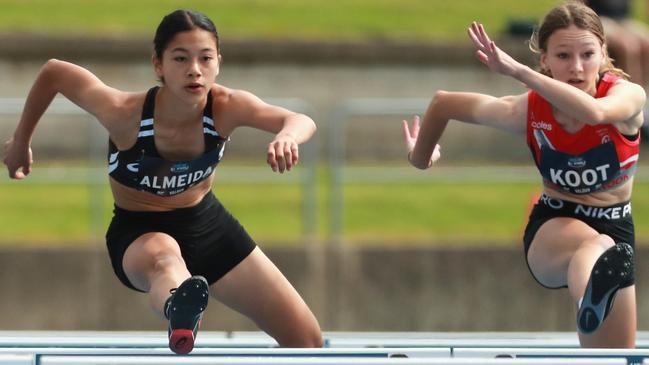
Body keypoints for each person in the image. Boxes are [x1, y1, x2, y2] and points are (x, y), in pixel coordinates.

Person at [3, 9, 323, 354]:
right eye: (181, 58)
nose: (194, 70)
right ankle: (181, 311)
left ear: (218, 63)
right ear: (159, 65)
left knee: (306, 341)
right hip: (140, 232)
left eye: (205, 58)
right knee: (167, 260)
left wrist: (287, 136)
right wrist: (21, 141)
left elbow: (300, 119)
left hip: (208, 226)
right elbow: (55, 72)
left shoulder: (227, 107)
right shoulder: (124, 113)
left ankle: (186, 299)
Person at [403, 1, 643, 348]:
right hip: (554, 226)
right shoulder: (526, 110)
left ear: (603, 53)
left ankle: (593, 300)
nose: (576, 68)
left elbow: (594, 113)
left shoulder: (627, 96)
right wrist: (421, 158)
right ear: (545, 58)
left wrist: (520, 72)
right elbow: (444, 103)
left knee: (616, 356)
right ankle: (591, 292)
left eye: (587, 54)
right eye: (563, 56)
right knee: (597, 246)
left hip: (616, 225)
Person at [585, 0, 649, 88]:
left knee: (646, 41)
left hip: (623, 19)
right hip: (599, 17)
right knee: (629, 46)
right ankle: (631, 89)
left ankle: (645, 90)